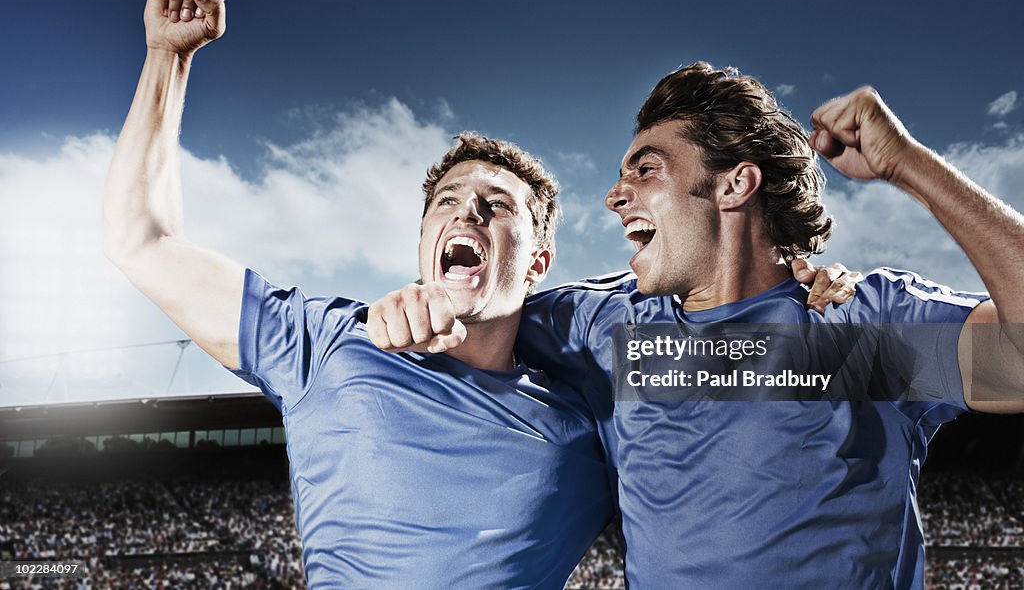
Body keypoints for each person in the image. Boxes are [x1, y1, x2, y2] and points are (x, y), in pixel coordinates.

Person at [370, 63, 1024, 588]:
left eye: (645, 168)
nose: (614, 193)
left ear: (735, 184)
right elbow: (480, 312)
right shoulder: (605, 325)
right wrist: (412, 307)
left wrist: (908, 164)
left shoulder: (858, 326)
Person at [103, 0, 619, 588]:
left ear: (537, 262)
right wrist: (168, 58)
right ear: (424, 242)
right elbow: (142, 241)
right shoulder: (324, 343)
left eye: (498, 205)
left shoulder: (585, 420)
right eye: (447, 201)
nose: (468, 211)